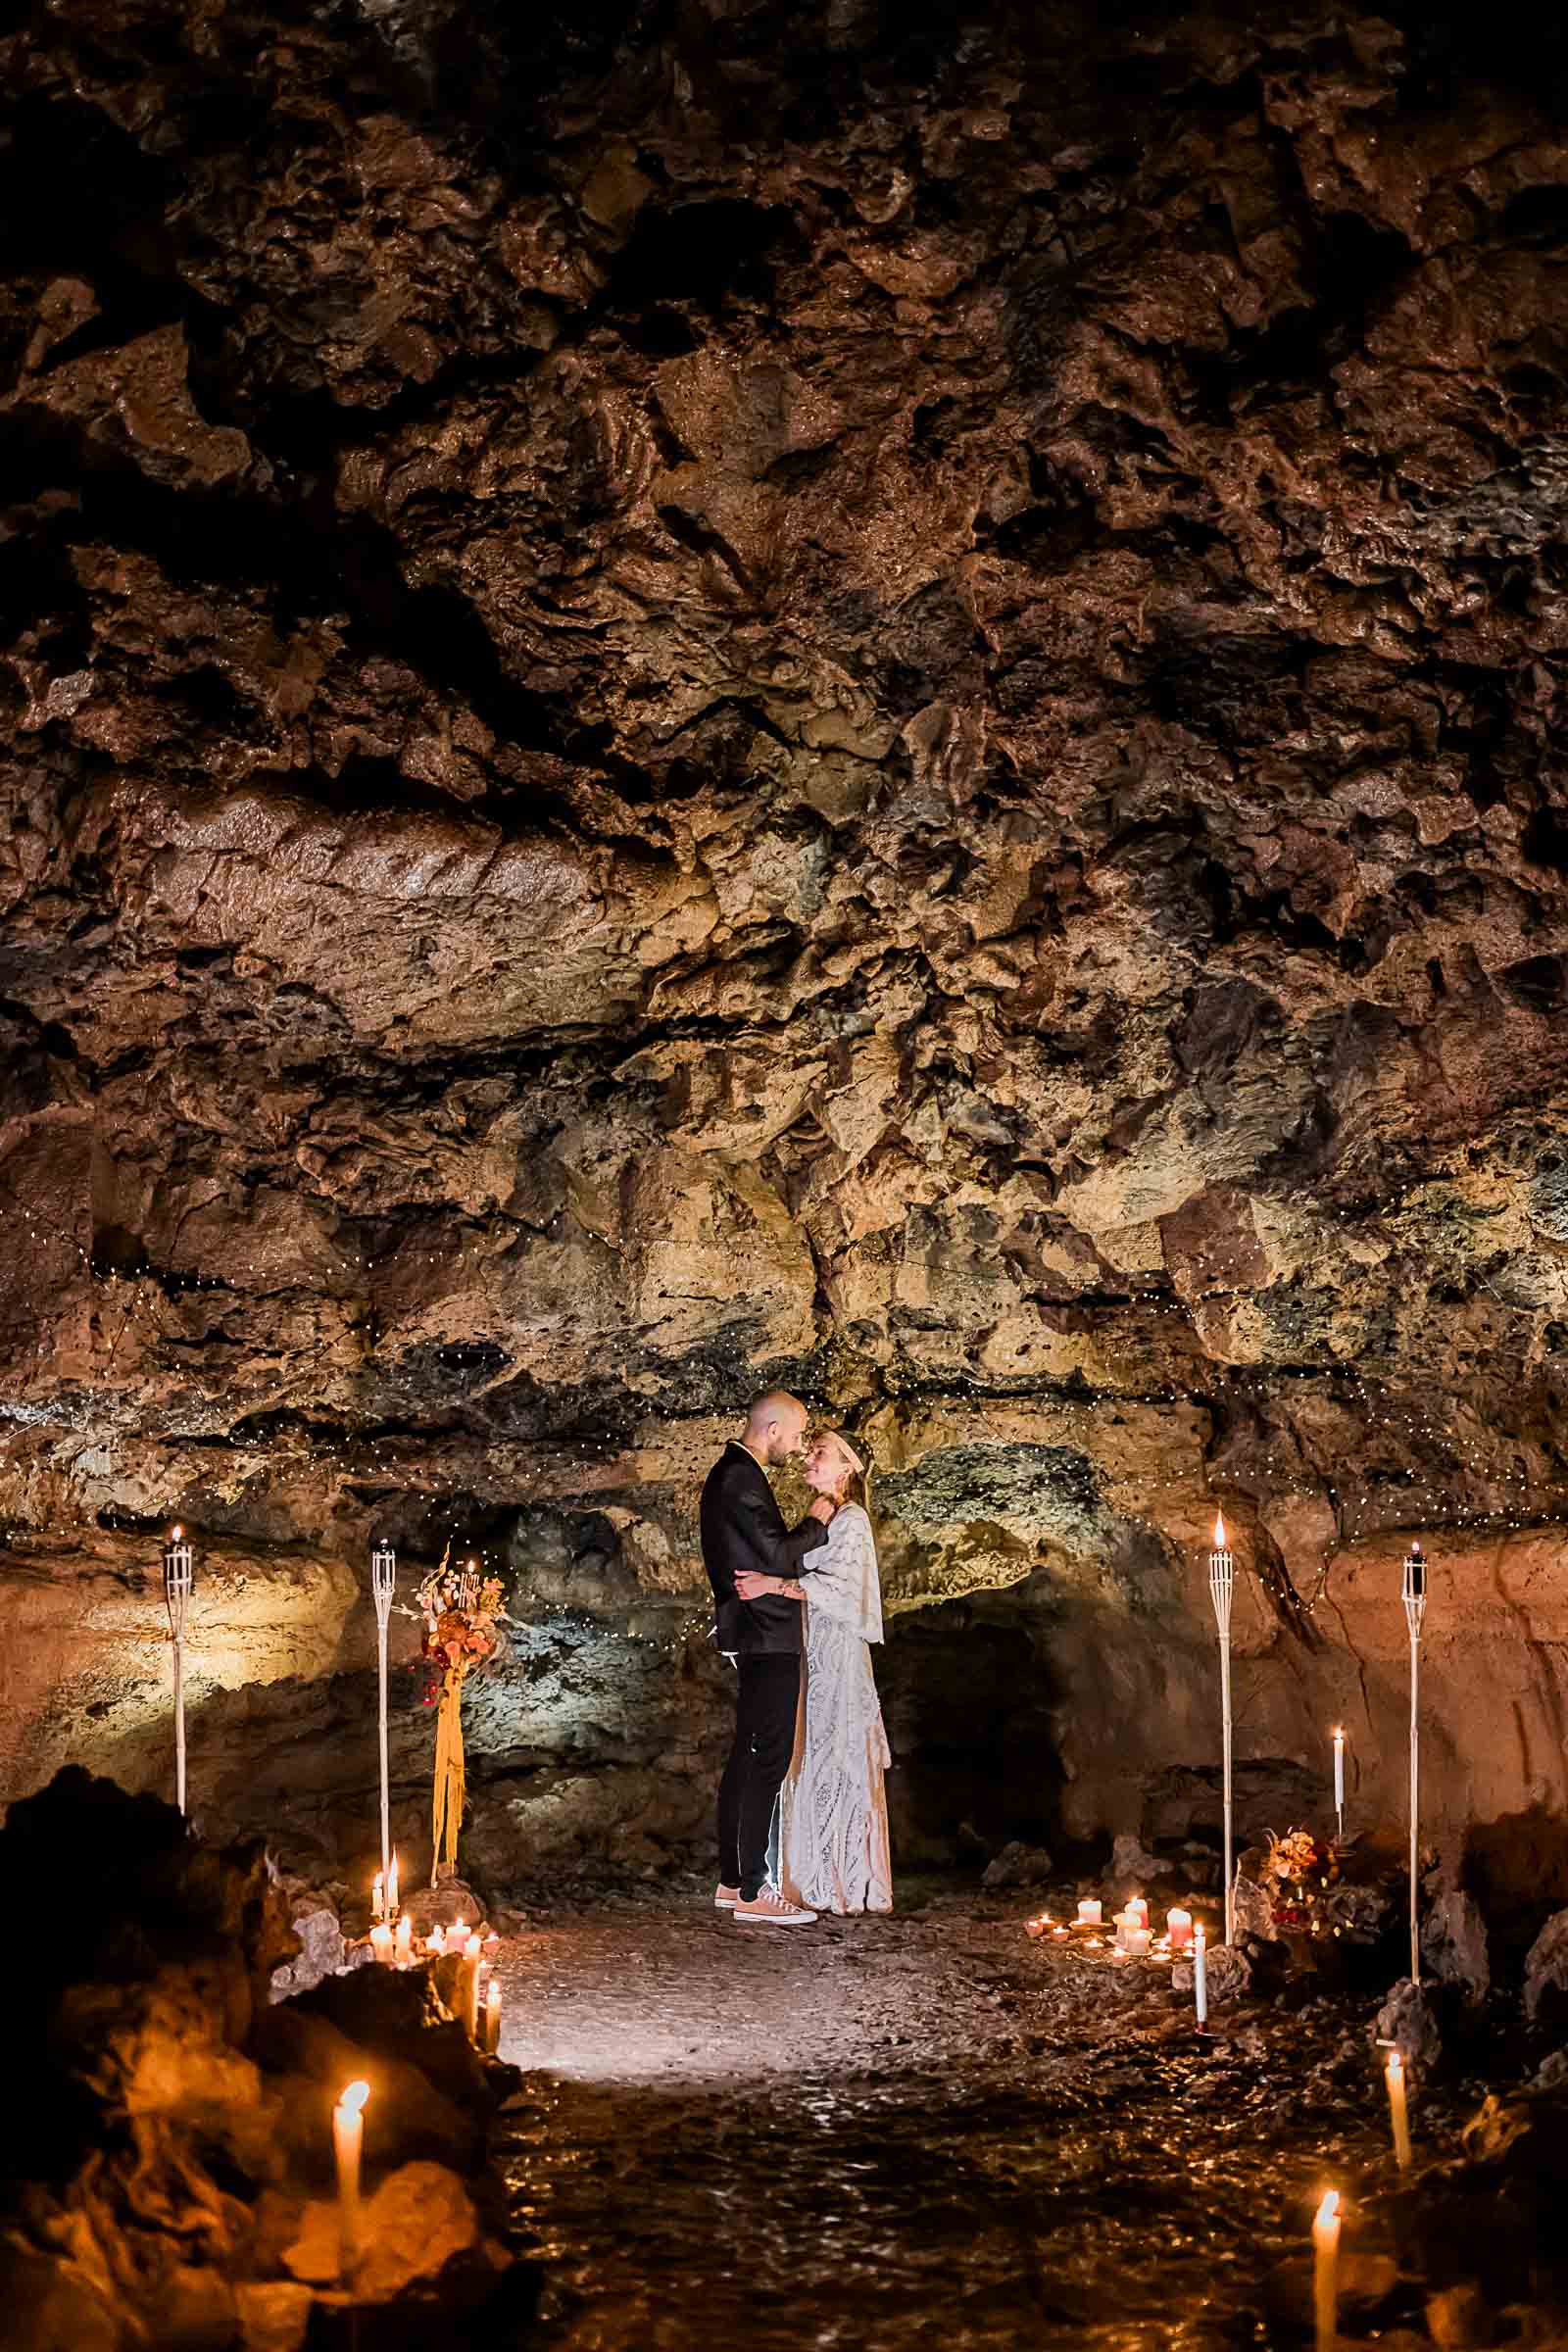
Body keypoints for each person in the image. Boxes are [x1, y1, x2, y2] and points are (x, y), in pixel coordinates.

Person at [737, 1431, 893, 1916]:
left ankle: (844, 1879)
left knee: (837, 1751)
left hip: (838, 1653)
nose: (810, 1456)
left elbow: (845, 1590)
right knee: (807, 1752)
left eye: (820, 1451)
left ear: (845, 1466)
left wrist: (774, 1585)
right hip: (811, 1649)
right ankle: (808, 1879)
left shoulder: (852, 1519)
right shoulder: (823, 1515)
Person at [700, 1390, 833, 1926]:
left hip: (755, 1632)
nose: (799, 1447)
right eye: (797, 1435)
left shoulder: (731, 1475)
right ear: (773, 1428)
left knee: (746, 1757)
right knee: (767, 1758)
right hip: (766, 1633)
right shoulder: (739, 1476)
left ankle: (732, 1883)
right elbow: (777, 1553)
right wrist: (816, 1522)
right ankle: (754, 1890)